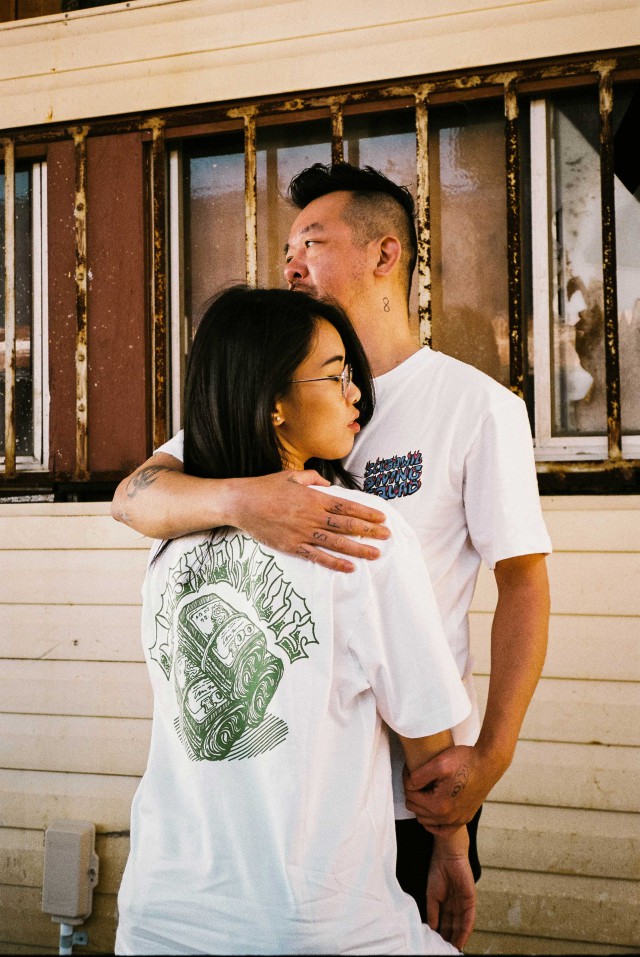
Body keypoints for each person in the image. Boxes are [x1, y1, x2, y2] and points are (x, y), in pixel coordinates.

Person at [112, 162, 552, 927]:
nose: (290, 264)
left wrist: (493, 752)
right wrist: (244, 498)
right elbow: (134, 497)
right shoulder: (270, 391)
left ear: (385, 254)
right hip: (285, 788)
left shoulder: (476, 406)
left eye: (311, 242)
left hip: (416, 787)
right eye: (286, 249)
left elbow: (524, 582)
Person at [115, 286, 474, 956]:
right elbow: (433, 755)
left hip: (157, 917)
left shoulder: (170, 544)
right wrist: (451, 849)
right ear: (274, 402)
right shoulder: (361, 530)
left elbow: (130, 499)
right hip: (315, 923)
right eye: (336, 375)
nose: (357, 392)